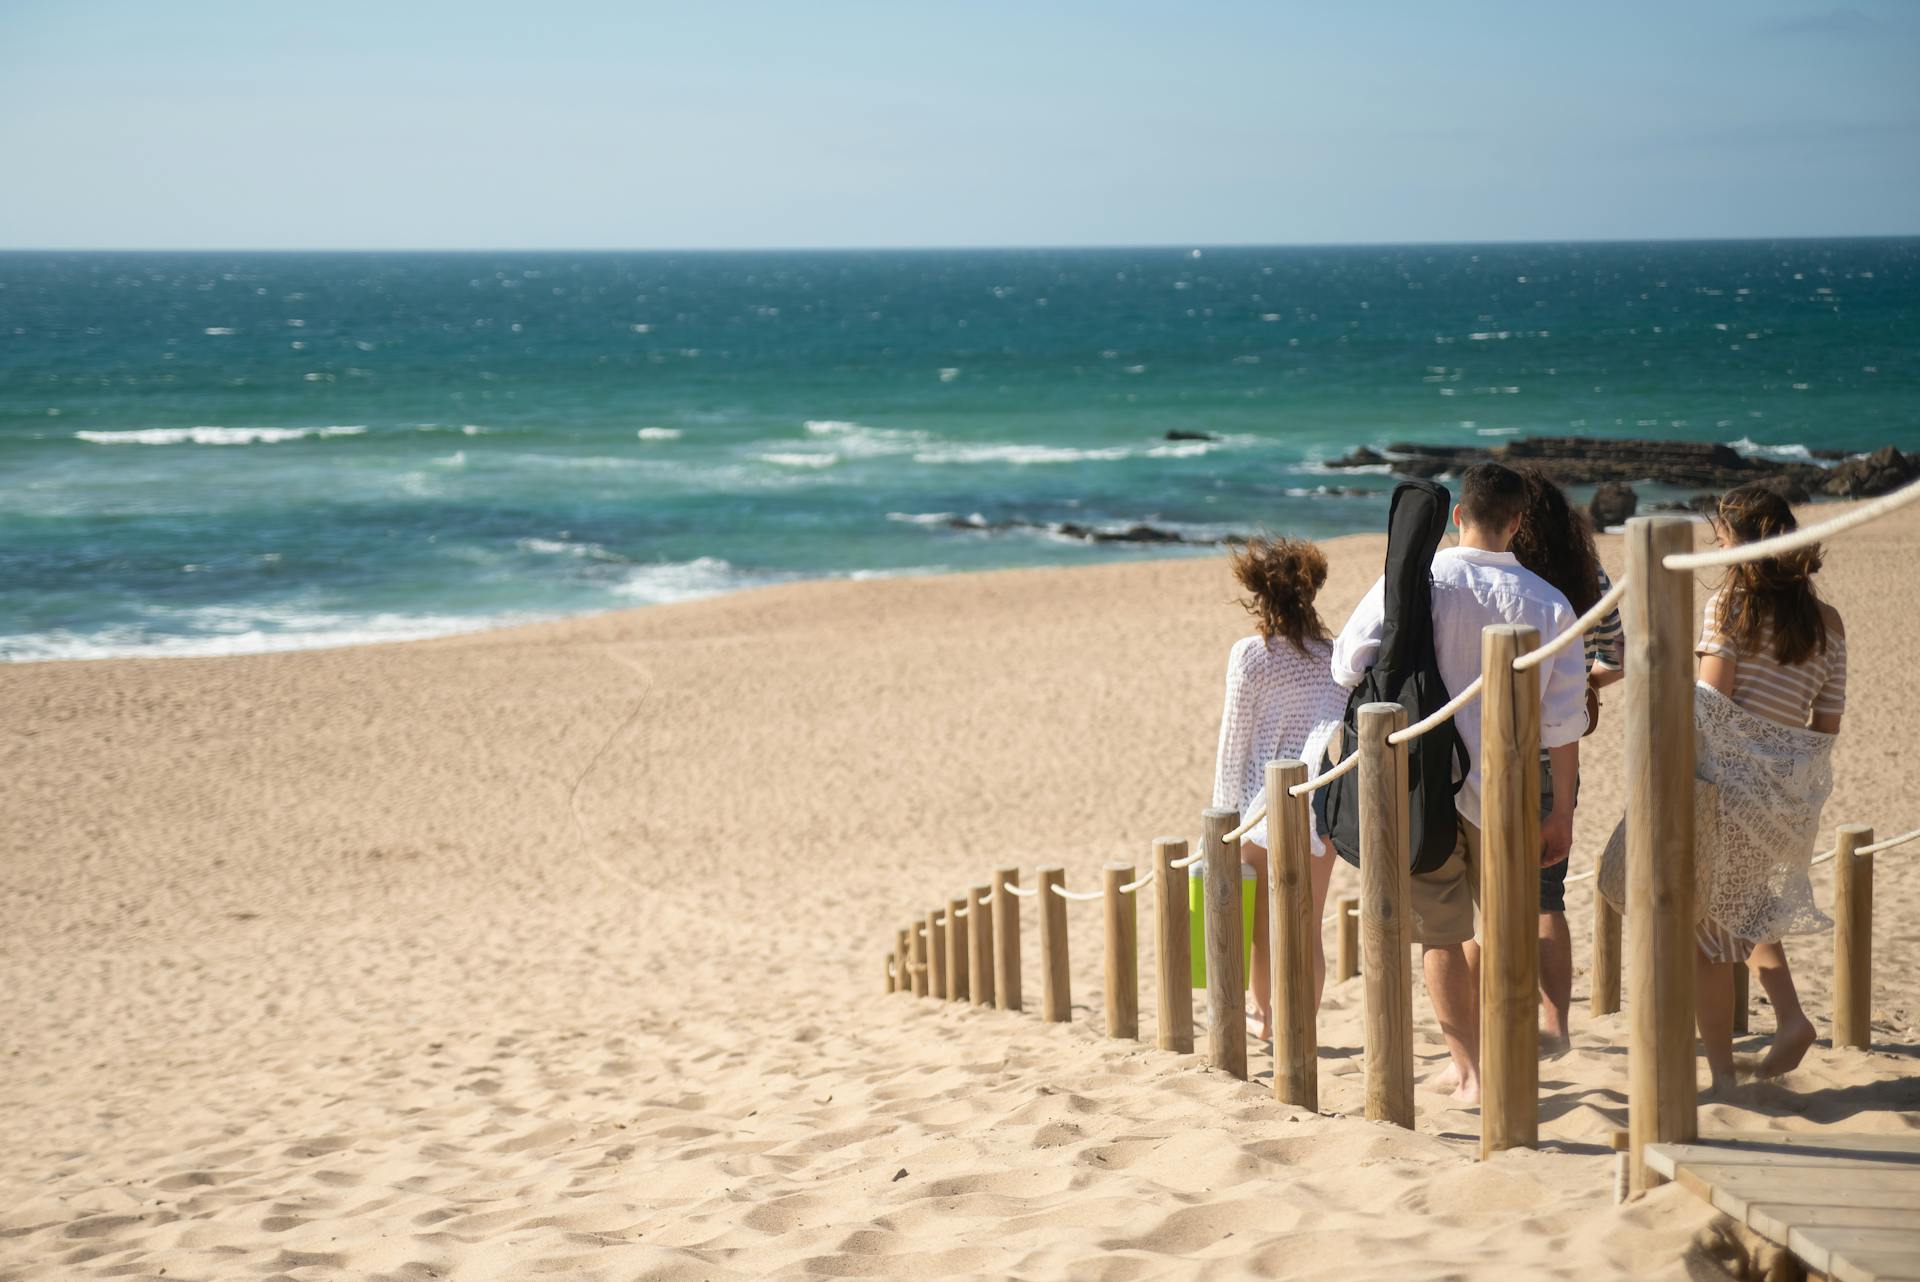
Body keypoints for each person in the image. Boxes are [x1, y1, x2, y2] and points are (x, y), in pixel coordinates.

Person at [1331, 463, 1589, 1103]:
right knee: (1507, 921)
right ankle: (1505, 1059)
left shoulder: (1417, 579)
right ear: (1518, 522)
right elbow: (1564, 718)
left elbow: (1346, 662)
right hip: (1509, 785)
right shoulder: (1548, 601)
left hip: (1424, 781)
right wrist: (1562, 812)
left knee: (1441, 932)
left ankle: (1469, 1069)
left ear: (1457, 516)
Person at [1693, 484, 1847, 1091]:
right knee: (1747, 908)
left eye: (1723, 538)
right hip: (1783, 797)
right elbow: (1826, 722)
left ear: (1744, 543)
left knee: (1705, 937)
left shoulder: (1732, 603)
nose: (1716, 548)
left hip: (1728, 789)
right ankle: (1789, 1019)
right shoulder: (1828, 623)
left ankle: (1724, 1077)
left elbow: (1713, 703)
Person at [1505, 466, 1624, 1055]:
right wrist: (1581, 685)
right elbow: (1617, 657)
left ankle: (1496, 1024)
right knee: (1547, 894)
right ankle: (1556, 1027)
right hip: (1559, 745)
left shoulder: (1499, 570)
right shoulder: (1585, 572)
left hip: (1488, 743)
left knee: (1488, 891)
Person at [1211, 535, 1345, 1042]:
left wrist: (1221, 821)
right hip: (1319, 802)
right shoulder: (1332, 656)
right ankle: (1301, 1028)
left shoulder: (1250, 656)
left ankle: (1270, 1024)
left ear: (1260, 596)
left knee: (1264, 931)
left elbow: (1233, 745)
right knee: (1307, 927)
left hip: (1261, 807)